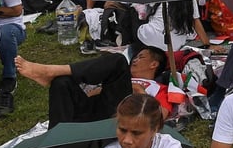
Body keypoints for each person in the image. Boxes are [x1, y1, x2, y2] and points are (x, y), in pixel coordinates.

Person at [17, 46, 171, 128]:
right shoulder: (120, 78)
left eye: (141, 57)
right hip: (96, 110)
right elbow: (91, 96)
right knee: (62, 82)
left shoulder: (159, 88)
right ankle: (56, 138)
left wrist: (138, 90)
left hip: (121, 117)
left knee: (118, 61)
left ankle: (51, 71)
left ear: (154, 64)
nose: (135, 60)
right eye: (135, 57)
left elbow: (159, 116)